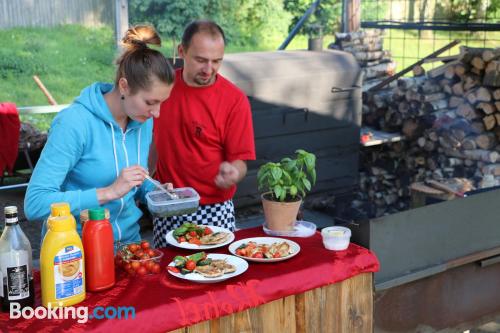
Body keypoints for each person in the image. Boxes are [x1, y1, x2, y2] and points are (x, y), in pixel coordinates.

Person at [24, 25, 175, 244]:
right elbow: (35, 204)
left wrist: (156, 191)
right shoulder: (74, 123)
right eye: (150, 102)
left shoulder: (143, 120)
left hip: (129, 249)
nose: (157, 113)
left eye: (161, 103)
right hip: (75, 254)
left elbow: (134, 182)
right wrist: (109, 192)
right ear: (124, 86)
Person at [151, 20, 256, 247]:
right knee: (167, 275)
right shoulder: (161, 88)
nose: (209, 69)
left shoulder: (234, 100)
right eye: (201, 60)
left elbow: (240, 161)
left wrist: (233, 173)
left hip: (214, 207)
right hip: (168, 203)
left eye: (216, 61)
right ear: (182, 51)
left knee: (216, 273)